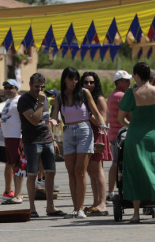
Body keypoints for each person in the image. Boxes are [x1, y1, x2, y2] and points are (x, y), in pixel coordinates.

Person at [118, 62, 155, 223]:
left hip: (135, 135)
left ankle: (136, 214)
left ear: (136, 76)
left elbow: (120, 118)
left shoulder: (131, 93)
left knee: (135, 171)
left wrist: (132, 126)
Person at [51, 67, 107, 219]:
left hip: (84, 131)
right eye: (71, 79)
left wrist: (102, 125)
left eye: (76, 79)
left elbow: (95, 111)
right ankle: (75, 209)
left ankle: (81, 208)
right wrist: (54, 121)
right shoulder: (59, 97)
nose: (74, 82)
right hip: (68, 132)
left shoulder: (83, 93)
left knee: (80, 171)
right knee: (71, 173)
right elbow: (55, 115)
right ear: (65, 80)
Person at [18, 73, 66, 217]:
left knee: (50, 173)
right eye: (36, 86)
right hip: (32, 142)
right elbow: (34, 120)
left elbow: (46, 121)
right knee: (32, 175)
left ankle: (50, 207)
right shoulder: (24, 100)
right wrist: (39, 102)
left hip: (47, 140)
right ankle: (32, 208)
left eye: (42, 86)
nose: (39, 89)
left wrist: (53, 139)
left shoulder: (43, 98)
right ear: (30, 84)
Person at [80, 72, 112, 216]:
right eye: (86, 82)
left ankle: (103, 203)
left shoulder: (99, 99)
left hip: (97, 135)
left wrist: (88, 113)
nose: (88, 85)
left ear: (95, 84)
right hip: (86, 135)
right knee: (90, 172)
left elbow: (102, 120)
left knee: (97, 170)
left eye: (91, 82)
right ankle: (96, 201)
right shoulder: (82, 98)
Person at [106, 70, 132, 202]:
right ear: (119, 82)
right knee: (122, 164)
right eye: (126, 81)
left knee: (115, 163)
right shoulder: (123, 96)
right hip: (123, 134)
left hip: (113, 134)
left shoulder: (111, 95)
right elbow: (130, 115)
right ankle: (125, 190)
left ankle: (110, 191)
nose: (129, 82)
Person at [1, 79, 24, 203]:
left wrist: (24, 136)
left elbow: (23, 118)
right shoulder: (8, 101)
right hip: (8, 137)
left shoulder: (19, 100)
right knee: (9, 164)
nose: (8, 90)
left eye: (11, 87)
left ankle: (18, 194)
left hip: (17, 137)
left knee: (18, 165)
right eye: (6, 88)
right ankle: (10, 192)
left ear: (17, 88)